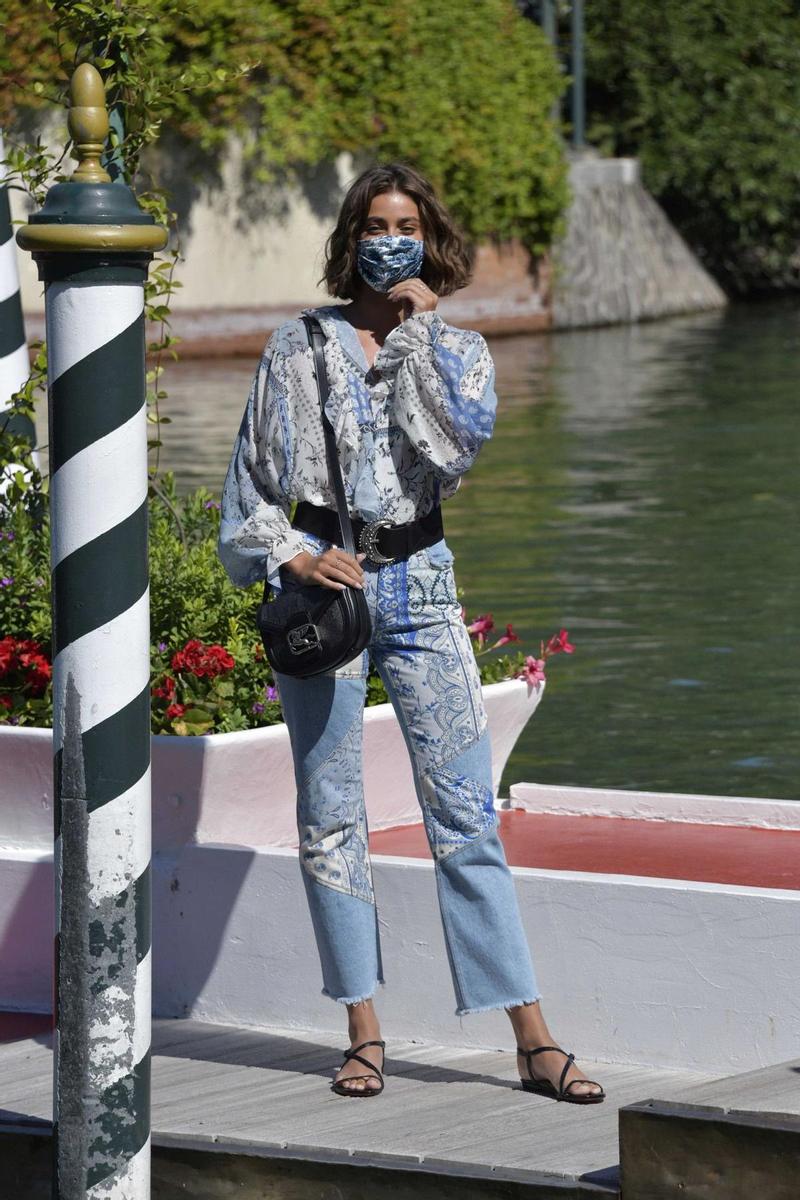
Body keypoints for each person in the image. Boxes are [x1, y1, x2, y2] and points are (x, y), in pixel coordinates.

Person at [217, 162, 605, 1104]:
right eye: (374, 224)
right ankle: (361, 1029)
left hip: (423, 588)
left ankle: (531, 1033)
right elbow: (251, 487)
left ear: (430, 242)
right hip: (324, 596)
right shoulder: (294, 348)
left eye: (407, 226)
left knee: (465, 811)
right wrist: (294, 558)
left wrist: (419, 333)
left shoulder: (459, 351)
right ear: (351, 239)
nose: (390, 238)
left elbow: (456, 445)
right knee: (331, 813)